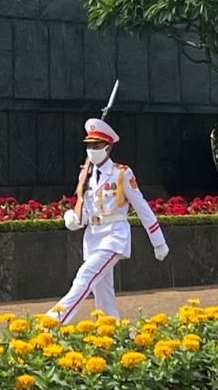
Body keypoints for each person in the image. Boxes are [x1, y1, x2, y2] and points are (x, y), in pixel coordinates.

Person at [49, 117, 168, 326]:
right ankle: (112, 331)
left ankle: (53, 321)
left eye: (97, 145)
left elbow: (141, 207)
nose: (92, 149)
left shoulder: (121, 173)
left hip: (114, 235)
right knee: (102, 291)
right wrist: (75, 219)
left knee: (85, 275)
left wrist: (158, 241)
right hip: (93, 237)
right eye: (89, 145)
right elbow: (87, 209)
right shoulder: (86, 175)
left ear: (108, 147)